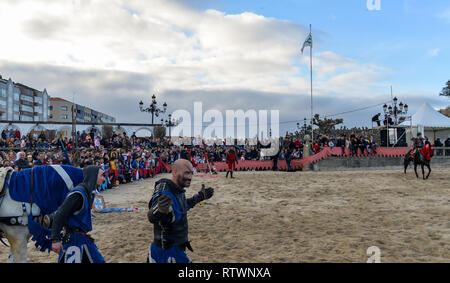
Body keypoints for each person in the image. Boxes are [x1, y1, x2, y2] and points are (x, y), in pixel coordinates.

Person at [146, 159, 214, 263]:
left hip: (175, 249)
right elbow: (152, 216)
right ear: (174, 172)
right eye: (186, 173)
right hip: (165, 253)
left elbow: (182, 206)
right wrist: (159, 210)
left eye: (191, 173)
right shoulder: (164, 191)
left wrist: (200, 196)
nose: (190, 177)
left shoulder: (177, 189)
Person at [49, 165, 106, 263]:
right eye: (101, 175)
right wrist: (55, 239)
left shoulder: (87, 193)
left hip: (82, 239)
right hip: (73, 240)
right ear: (93, 176)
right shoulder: (78, 194)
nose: (103, 178)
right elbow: (60, 215)